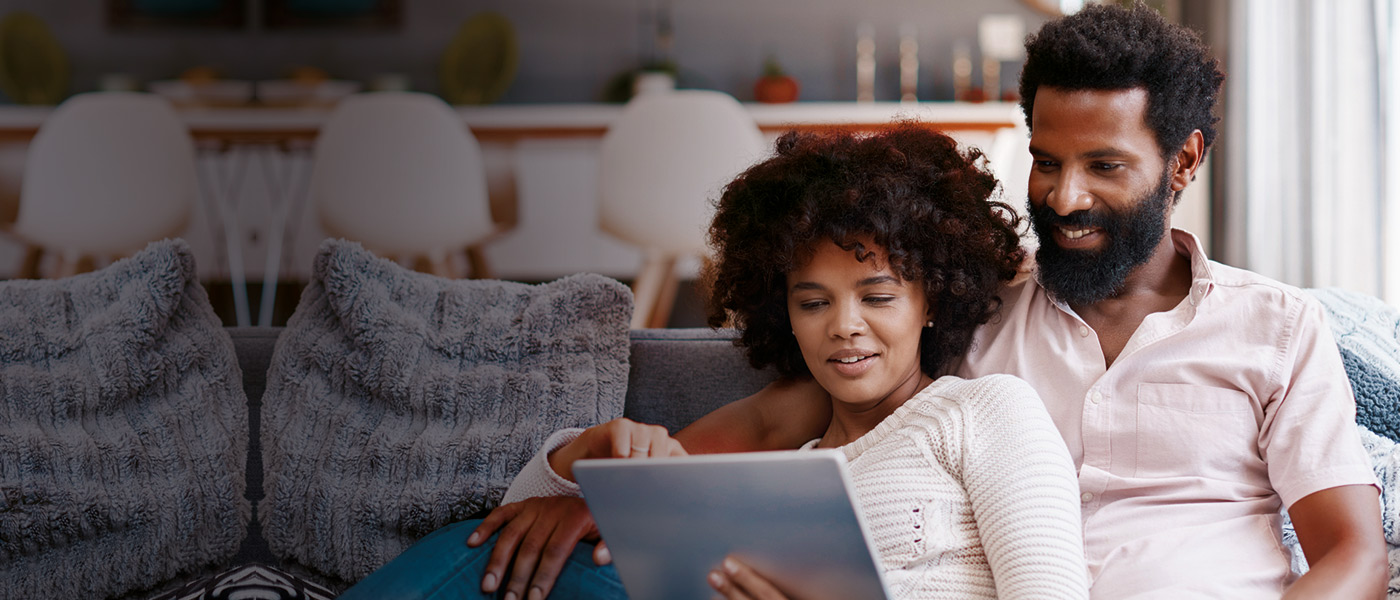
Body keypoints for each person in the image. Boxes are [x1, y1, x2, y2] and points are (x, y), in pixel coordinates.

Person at [443, 4, 1388, 599]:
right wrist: (598, 498)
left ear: (1184, 160)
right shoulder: (968, 314)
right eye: (1047, 161)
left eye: (1104, 167)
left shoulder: (1275, 328)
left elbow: (1352, 554)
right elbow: (771, 425)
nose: (1062, 198)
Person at [341, 125, 1090, 599]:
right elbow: (533, 518)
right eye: (813, 302)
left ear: (932, 299)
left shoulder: (985, 411)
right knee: (528, 546)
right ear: (784, 315)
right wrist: (578, 459)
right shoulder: (777, 463)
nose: (845, 329)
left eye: (877, 295)